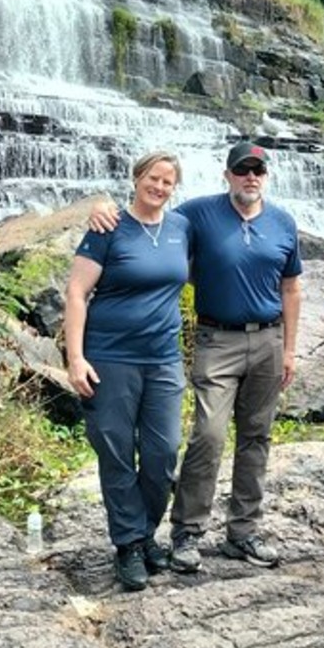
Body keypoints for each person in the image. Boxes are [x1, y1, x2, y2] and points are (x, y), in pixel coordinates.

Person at [89, 141, 302, 573]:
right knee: (207, 434)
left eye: (257, 170)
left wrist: (291, 348)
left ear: (266, 176)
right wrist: (99, 205)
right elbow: (148, 214)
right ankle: (187, 532)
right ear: (227, 175)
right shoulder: (197, 216)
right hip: (216, 339)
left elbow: (292, 287)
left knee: (256, 437)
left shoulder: (283, 222)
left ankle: (243, 533)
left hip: (268, 341)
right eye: (242, 170)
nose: (250, 177)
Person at [64, 151, 192, 591]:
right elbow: (77, 293)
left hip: (163, 360)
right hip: (109, 358)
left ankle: (144, 533)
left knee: (162, 453)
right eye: (153, 178)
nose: (159, 187)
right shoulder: (108, 226)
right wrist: (75, 358)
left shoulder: (181, 228)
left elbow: (232, 212)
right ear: (137, 179)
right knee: (116, 453)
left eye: (167, 182)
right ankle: (129, 546)